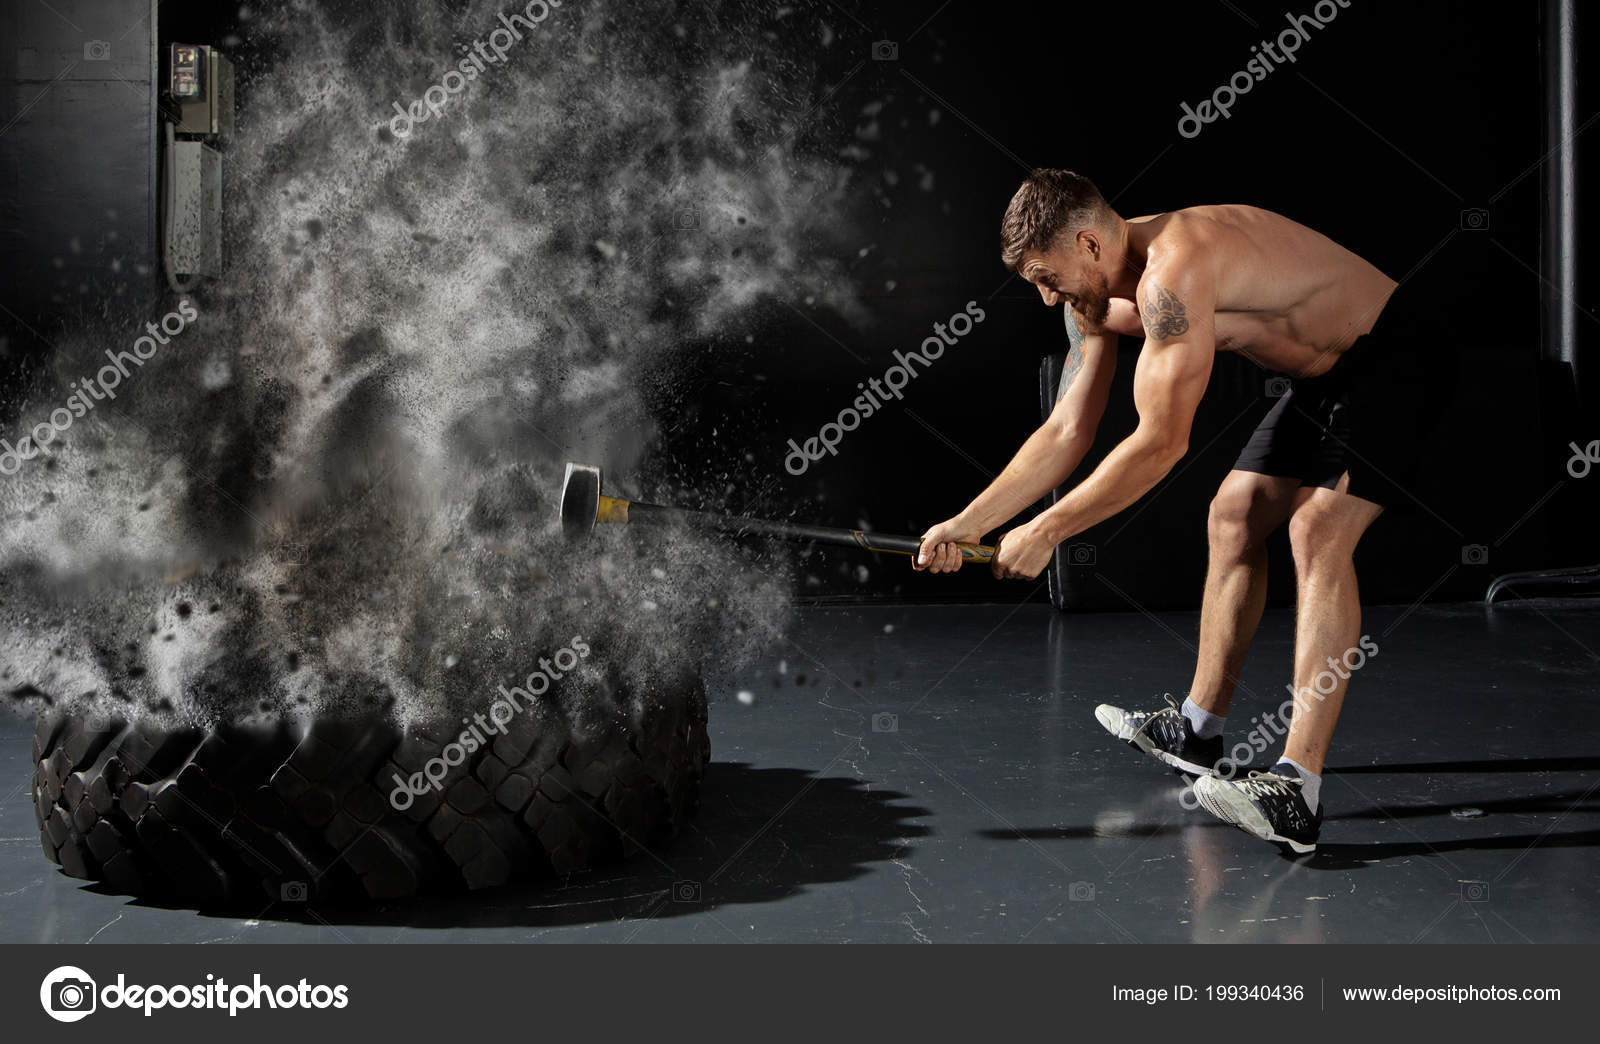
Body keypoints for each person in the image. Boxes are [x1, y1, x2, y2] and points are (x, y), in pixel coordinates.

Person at [915, 168, 1444, 854]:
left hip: (1397, 354)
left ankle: (1297, 789)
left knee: (1317, 527)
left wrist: (1047, 530)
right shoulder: (1095, 298)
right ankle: (1197, 731)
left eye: (1049, 277)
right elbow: (1066, 430)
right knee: (1232, 515)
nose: (1048, 299)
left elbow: (1162, 444)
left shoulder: (1177, 266)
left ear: (1089, 244)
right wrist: (969, 522)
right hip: (1324, 377)